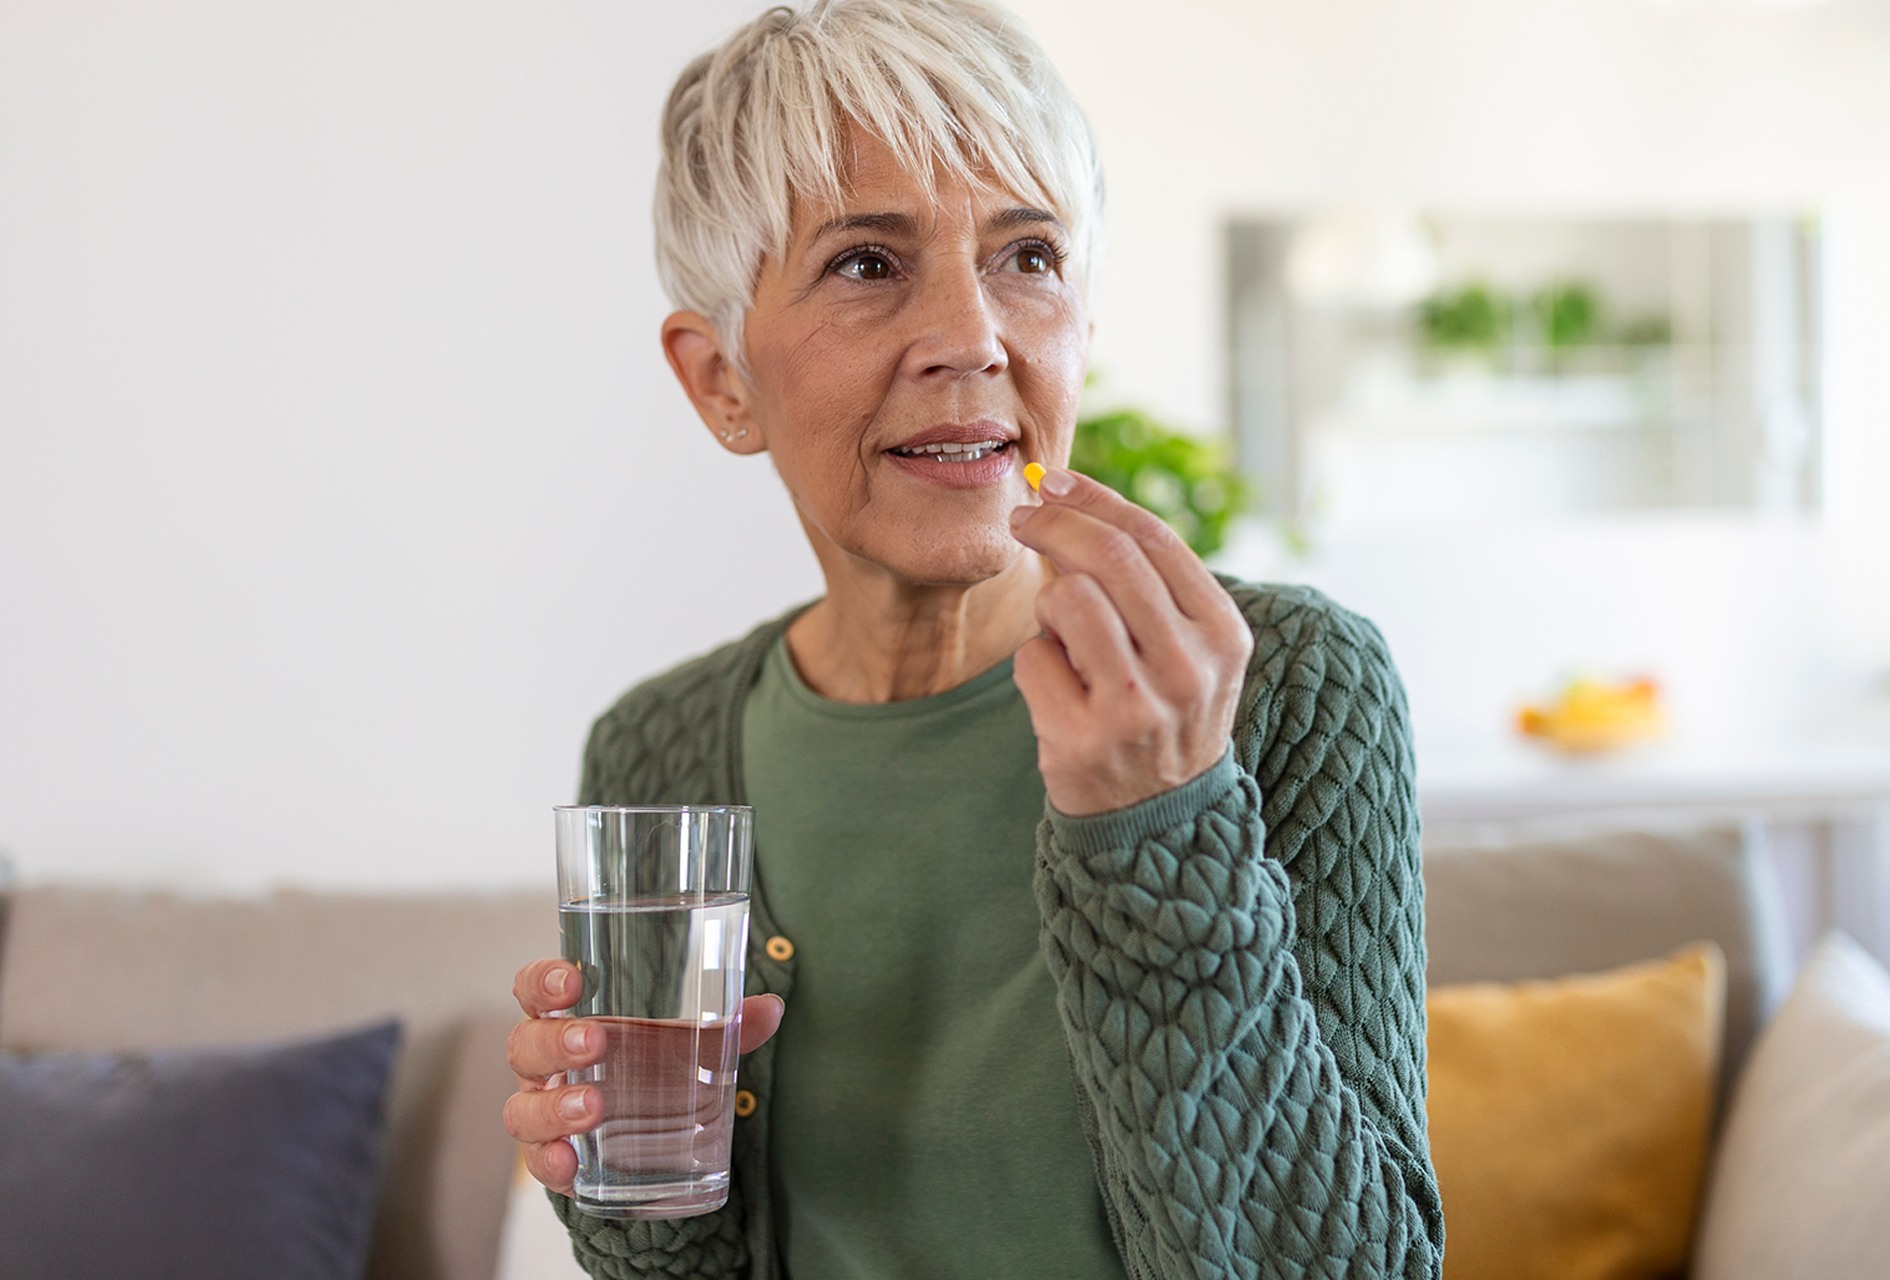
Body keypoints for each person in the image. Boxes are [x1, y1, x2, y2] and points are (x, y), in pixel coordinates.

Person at [503, 0, 1445, 1275]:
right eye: (866, 263)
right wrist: (616, 1182)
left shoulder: (1284, 686)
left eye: (1031, 257)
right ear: (721, 378)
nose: (972, 339)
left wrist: (1162, 827)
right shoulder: (659, 747)